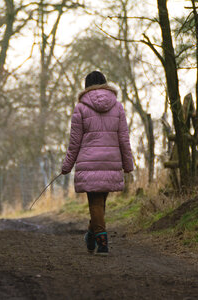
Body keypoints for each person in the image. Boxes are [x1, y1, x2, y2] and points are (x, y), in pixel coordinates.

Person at [61, 71, 134, 256]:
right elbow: (124, 139)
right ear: (105, 84)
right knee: (100, 203)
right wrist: (128, 164)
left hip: (89, 163)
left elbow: (74, 142)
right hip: (111, 161)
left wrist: (67, 166)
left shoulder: (80, 108)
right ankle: (91, 237)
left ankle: (102, 242)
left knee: (95, 203)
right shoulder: (117, 107)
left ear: (86, 86)